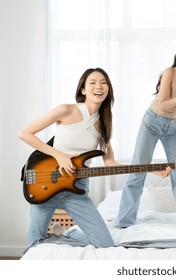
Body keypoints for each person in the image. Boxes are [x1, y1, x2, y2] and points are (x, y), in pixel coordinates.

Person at [18, 67, 119, 249]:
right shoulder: (66, 110)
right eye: (93, 82)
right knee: (33, 246)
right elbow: (25, 133)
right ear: (83, 89)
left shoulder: (105, 122)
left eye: (104, 83)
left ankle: (67, 233)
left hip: (77, 191)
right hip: (46, 184)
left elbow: (111, 163)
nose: (99, 86)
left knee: (106, 245)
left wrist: (152, 168)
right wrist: (59, 155)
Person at [115, 39, 176, 228]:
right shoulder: (170, 73)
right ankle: (124, 222)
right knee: (137, 171)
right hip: (152, 122)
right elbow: (164, 103)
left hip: (174, 126)